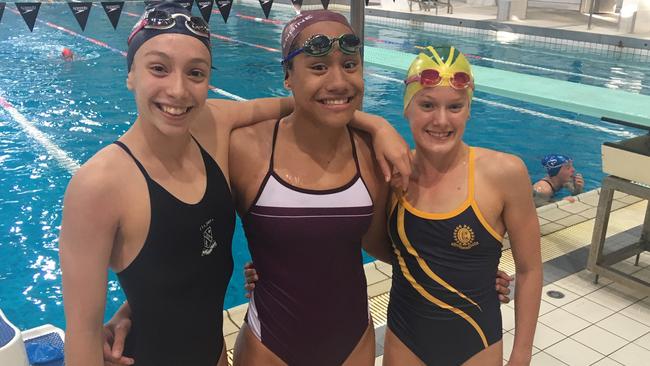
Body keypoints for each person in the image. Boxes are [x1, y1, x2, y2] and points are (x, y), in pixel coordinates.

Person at [60, 3, 409, 366]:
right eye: (159, 69)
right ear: (130, 72)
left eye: (195, 73)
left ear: (209, 81)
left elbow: (309, 103)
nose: (178, 90)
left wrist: (376, 125)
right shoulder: (97, 184)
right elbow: (82, 335)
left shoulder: (212, 126)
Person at [233, 12, 514, 366]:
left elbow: (389, 245)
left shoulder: (371, 153)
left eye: (350, 65)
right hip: (268, 346)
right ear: (288, 76)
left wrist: (466, 271)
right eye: (319, 68)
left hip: (354, 345)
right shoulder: (246, 149)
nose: (338, 80)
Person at [381, 46, 542, 366]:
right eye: (427, 105)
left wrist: (521, 354)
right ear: (406, 108)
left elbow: (530, 269)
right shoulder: (390, 174)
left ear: (469, 110)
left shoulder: (504, 173)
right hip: (404, 339)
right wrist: (377, 127)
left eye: (455, 106)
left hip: (476, 343)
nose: (441, 120)